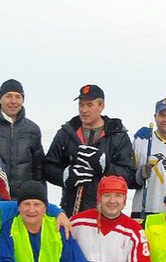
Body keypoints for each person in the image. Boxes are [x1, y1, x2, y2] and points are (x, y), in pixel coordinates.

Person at [44, 84, 134, 216]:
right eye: (81, 105)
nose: (84, 110)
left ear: (101, 106)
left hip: (106, 213)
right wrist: (65, 175)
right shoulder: (66, 133)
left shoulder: (117, 135)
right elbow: (48, 167)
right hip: (72, 211)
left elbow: (129, 175)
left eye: (89, 105)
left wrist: (104, 165)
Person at [0, 79, 44, 198]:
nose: (13, 101)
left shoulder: (32, 129)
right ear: (0, 99)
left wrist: (41, 198)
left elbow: (39, 169)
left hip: (23, 199)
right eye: (8, 96)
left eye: (18, 97)